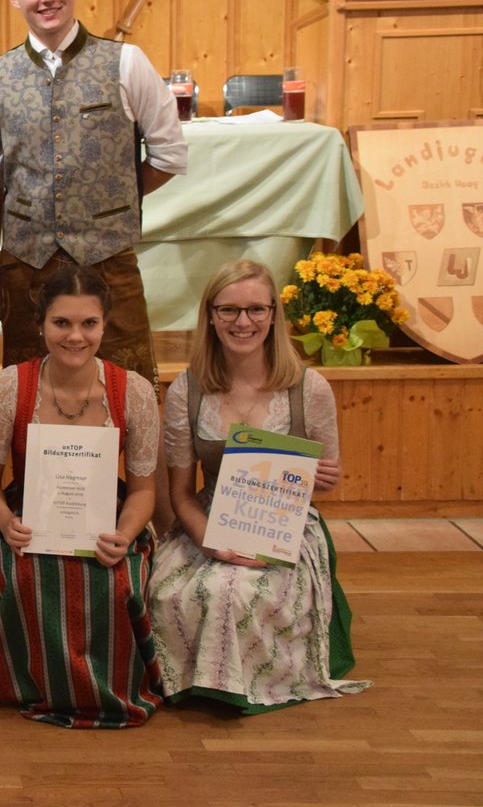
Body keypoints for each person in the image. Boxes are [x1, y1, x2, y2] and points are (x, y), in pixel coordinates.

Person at [148, 260, 369, 711]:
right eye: (228, 310)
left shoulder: (309, 388)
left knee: (239, 592)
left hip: (283, 523)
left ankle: (244, 684)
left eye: (255, 310)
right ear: (211, 316)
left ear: (273, 315)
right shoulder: (188, 389)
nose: (243, 322)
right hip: (208, 516)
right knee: (169, 592)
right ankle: (197, 682)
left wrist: (324, 478)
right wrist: (211, 542)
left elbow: (325, 478)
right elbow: (180, 494)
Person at [0, 263, 163, 728]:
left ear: (105, 324)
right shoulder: (11, 385)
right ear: (41, 324)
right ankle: (29, 682)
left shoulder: (134, 391)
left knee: (115, 578)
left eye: (89, 323)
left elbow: (144, 489)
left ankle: (106, 687)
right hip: (26, 510)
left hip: (110, 514)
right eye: (61, 322)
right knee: (22, 572)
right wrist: (4, 521)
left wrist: (125, 535)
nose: (75, 336)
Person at [0, 0, 187, 388]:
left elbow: (169, 155)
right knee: (31, 398)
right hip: (25, 269)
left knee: (127, 394)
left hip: (108, 264)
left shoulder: (126, 63)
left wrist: (112, 194)